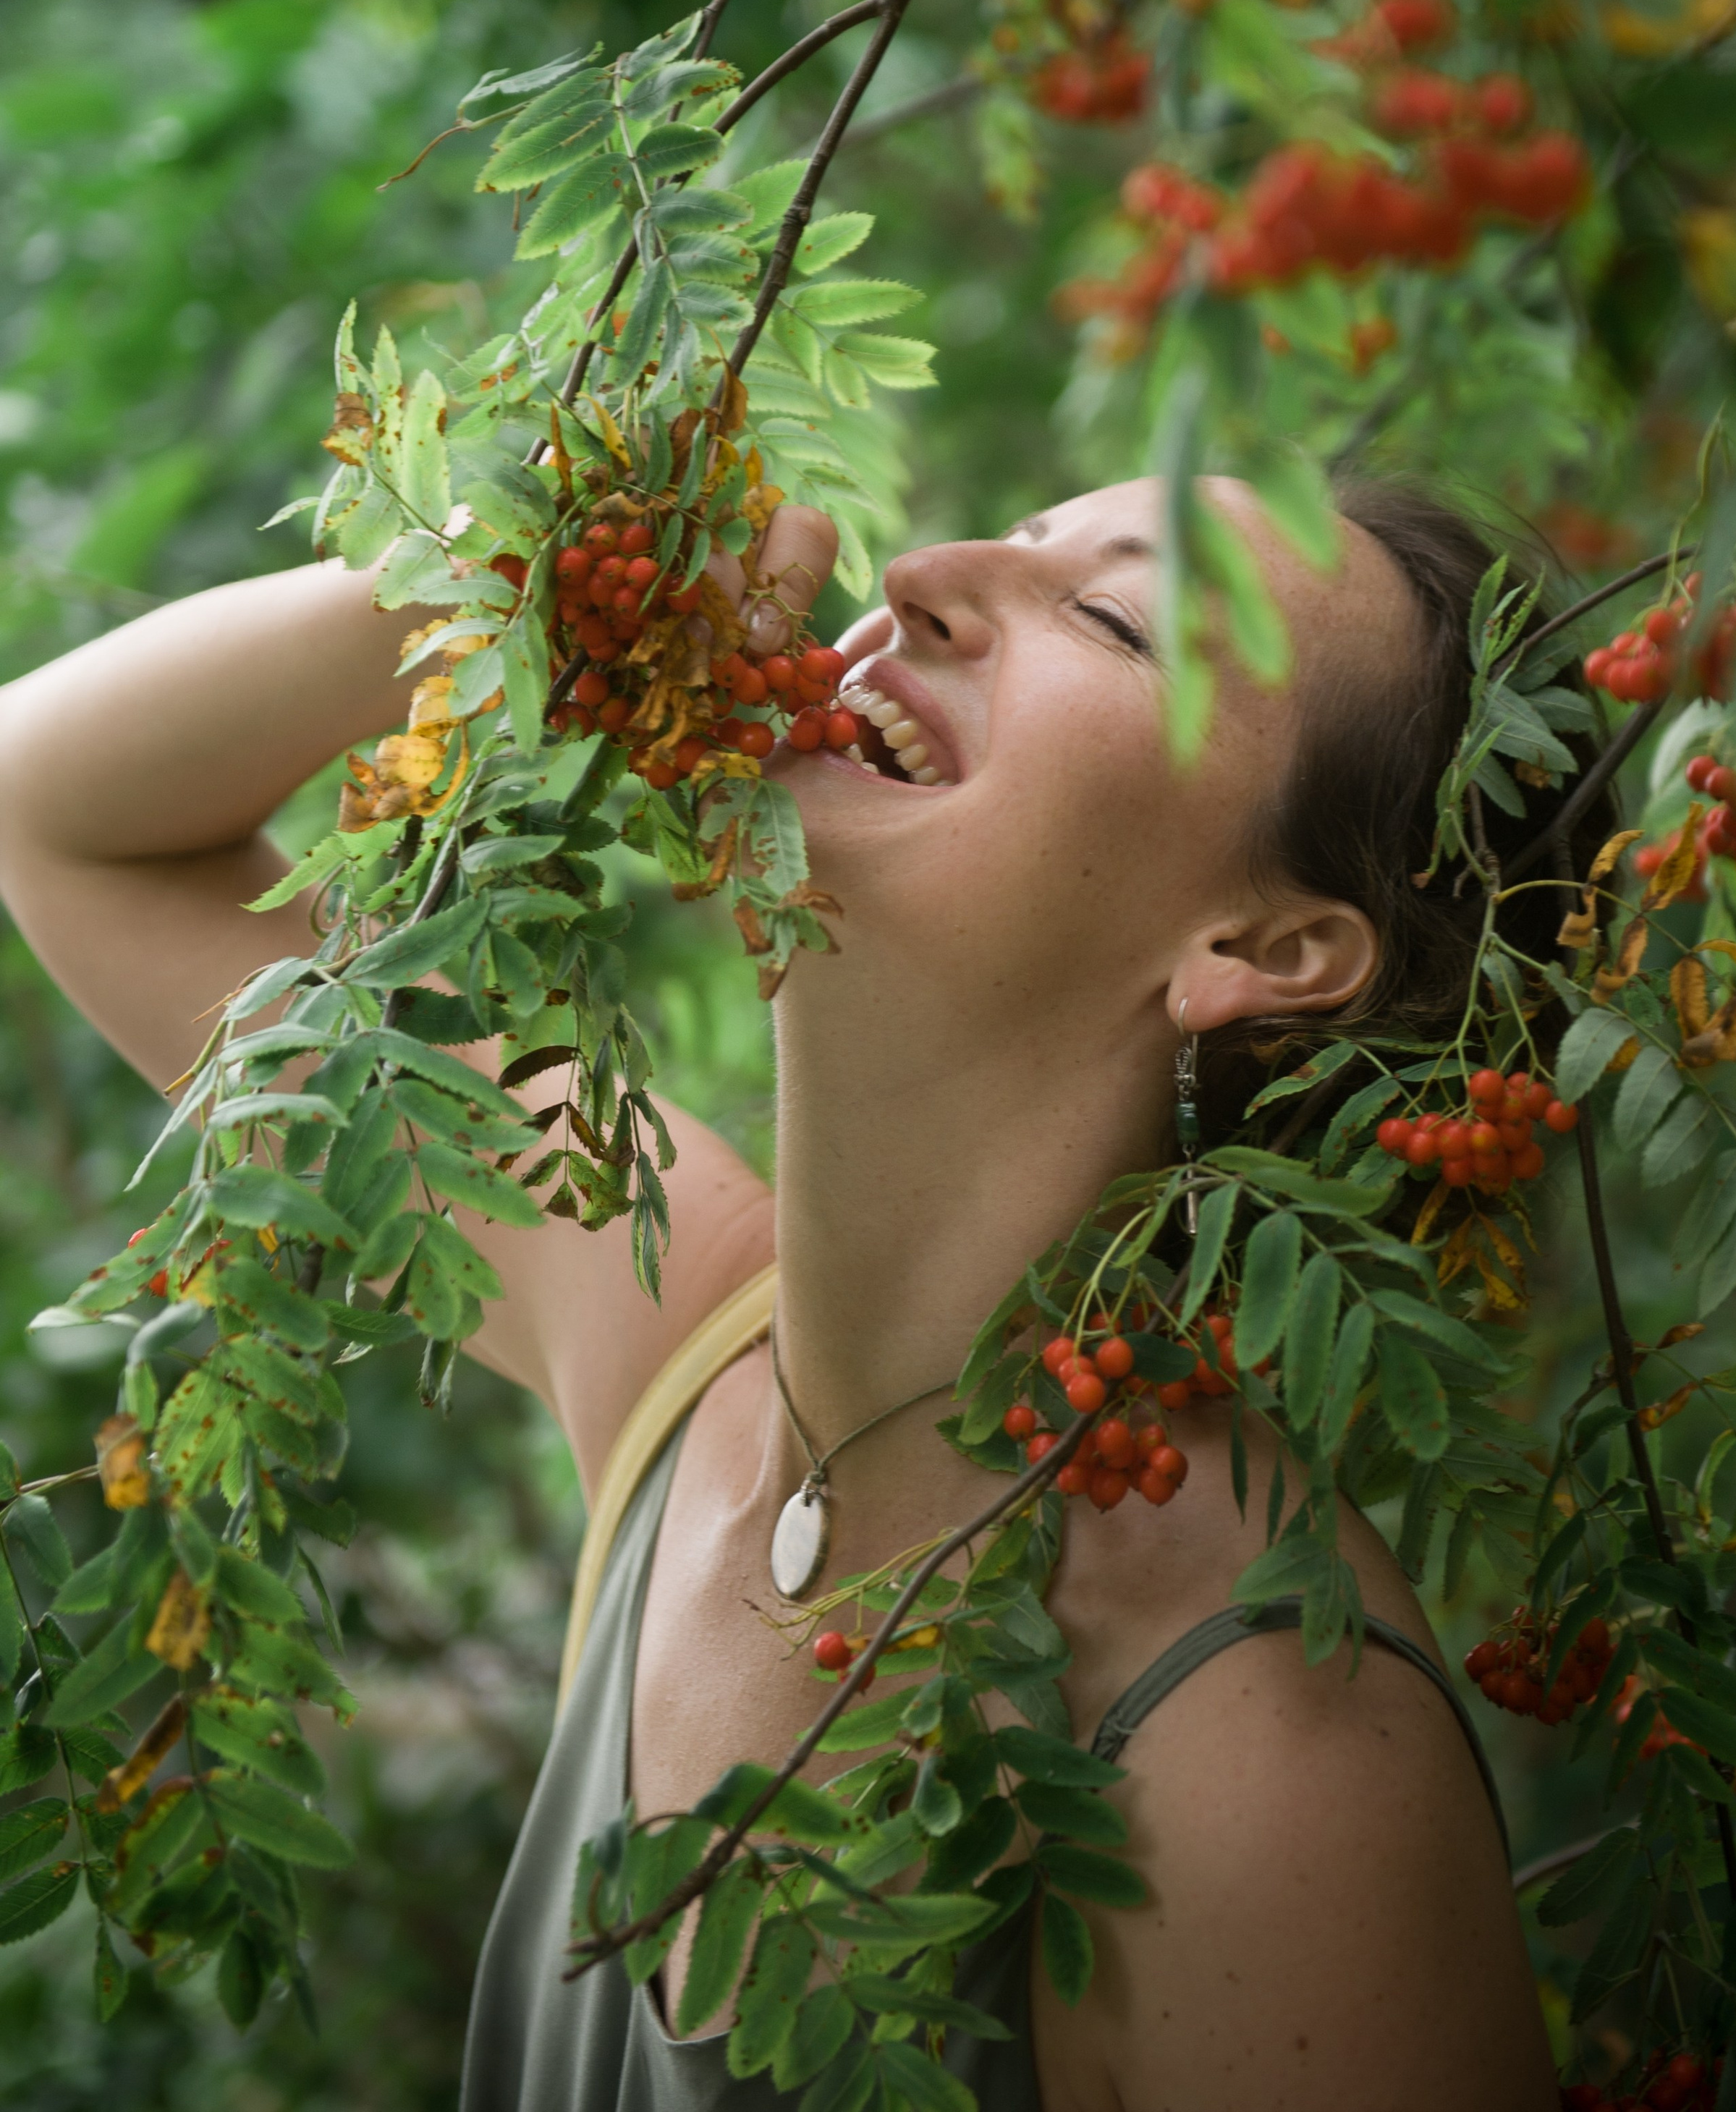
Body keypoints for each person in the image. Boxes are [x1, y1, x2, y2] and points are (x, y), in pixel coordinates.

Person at [0, 472, 1567, 2111]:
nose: (930, 568)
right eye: (1011, 530)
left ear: (1267, 948)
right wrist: (522, 580)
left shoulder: (1264, 1760)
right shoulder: (689, 1347)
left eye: (1112, 616)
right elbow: (60, 813)